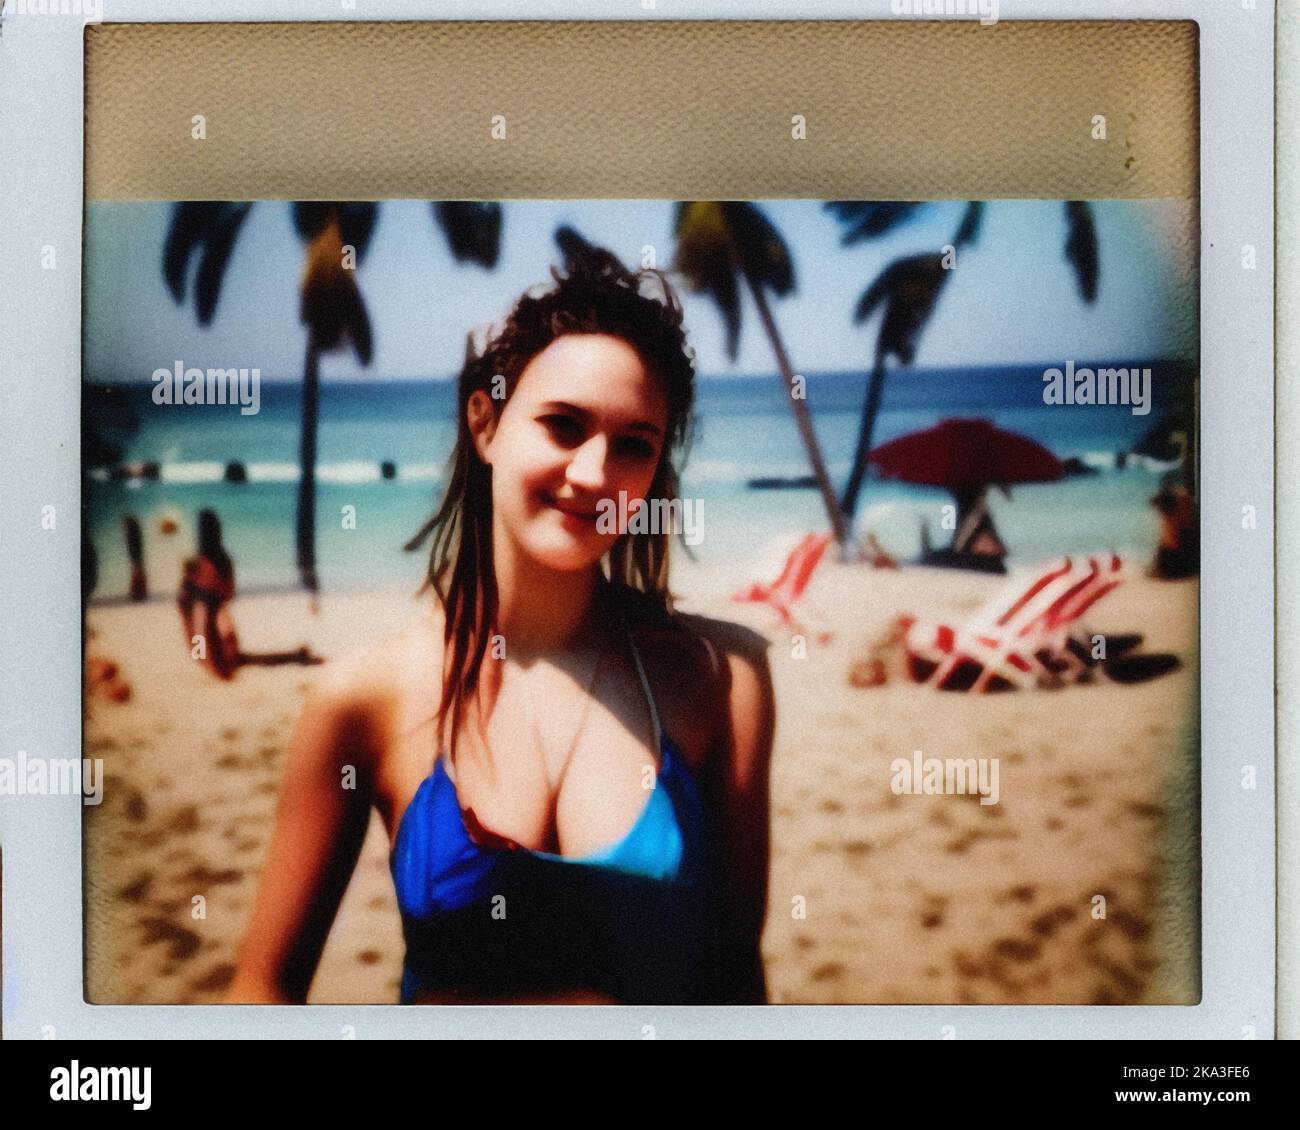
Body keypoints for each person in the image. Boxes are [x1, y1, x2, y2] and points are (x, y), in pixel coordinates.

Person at [227, 247, 775, 1004]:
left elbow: (734, 983)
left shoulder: (722, 681)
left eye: (633, 446)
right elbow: (261, 991)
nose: (593, 473)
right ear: (485, 425)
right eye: (563, 426)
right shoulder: (362, 699)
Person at [178, 508, 240, 680]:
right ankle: (213, 659)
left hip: (203, 600)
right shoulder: (221, 559)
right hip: (208, 600)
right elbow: (229, 591)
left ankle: (208, 660)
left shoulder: (200, 560)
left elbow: (188, 588)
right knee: (211, 624)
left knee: (203, 629)